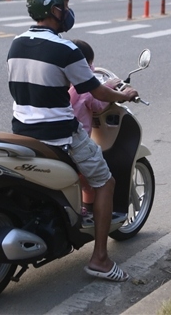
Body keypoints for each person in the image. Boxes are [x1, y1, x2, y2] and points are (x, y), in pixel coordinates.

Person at [7, 0, 138, 282]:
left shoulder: (16, 43)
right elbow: (97, 91)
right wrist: (125, 95)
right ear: (55, 10)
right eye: (65, 5)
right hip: (61, 135)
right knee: (105, 183)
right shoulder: (66, 49)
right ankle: (101, 260)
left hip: (22, 131)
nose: (68, 11)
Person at [69, 39, 117, 218]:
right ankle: (89, 211)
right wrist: (112, 89)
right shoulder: (85, 86)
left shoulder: (62, 78)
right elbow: (99, 104)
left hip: (54, 138)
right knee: (97, 180)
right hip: (77, 140)